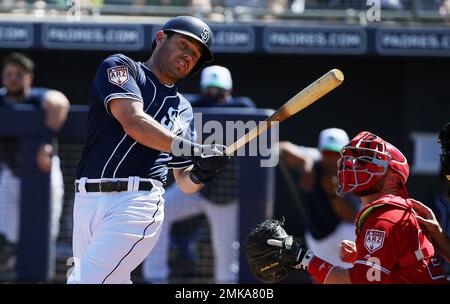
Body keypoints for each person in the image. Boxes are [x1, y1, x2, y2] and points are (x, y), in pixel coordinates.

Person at [67, 16, 227, 284]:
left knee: (84, 281)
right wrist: (195, 149)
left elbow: (184, 181)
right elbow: (133, 122)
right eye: (185, 45)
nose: (189, 55)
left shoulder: (184, 110)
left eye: (196, 54)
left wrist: (201, 174)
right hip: (86, 199)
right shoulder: (122, 67)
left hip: (137, 203)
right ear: (161, 38)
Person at [247, 131, 448, 284]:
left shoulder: (385, 217)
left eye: (367, 162)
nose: (354, 166)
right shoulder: (388, 211)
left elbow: (353, 281)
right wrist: (363, 257)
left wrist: (302, 257)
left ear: (393, 178)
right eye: (356, 161)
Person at [143, 65, 255, 284]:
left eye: (219, 92)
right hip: (193, 185)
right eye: (209, 92)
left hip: (224, 196)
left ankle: (227, 286)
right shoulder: (189, 107)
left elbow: (249, 108)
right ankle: (155, 279)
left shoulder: (242, 108)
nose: (214, 97)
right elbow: (178, 104)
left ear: (229, 92)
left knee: (225, 252)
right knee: (156, 211)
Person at [0, 52, 69, 277]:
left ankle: (42, 278)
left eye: (18, 74)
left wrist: (44, 142)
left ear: (29, 77)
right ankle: (11, 272)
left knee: (46, 232)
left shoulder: (37, 97)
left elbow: (60, 103)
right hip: (11, 175)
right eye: (8, 74)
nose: (12, 79)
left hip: (44, 172)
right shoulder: (1, 98)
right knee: (7, 233)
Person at [278, 128, 360, 267]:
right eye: (327, 152)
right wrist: (306, 163)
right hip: (317, 238)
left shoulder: (356, 172)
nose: (331, 158)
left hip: (346, 239)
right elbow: (279, 148)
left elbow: (352, 217)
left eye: (337, 153)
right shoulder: (314, 160)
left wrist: (333, 194)